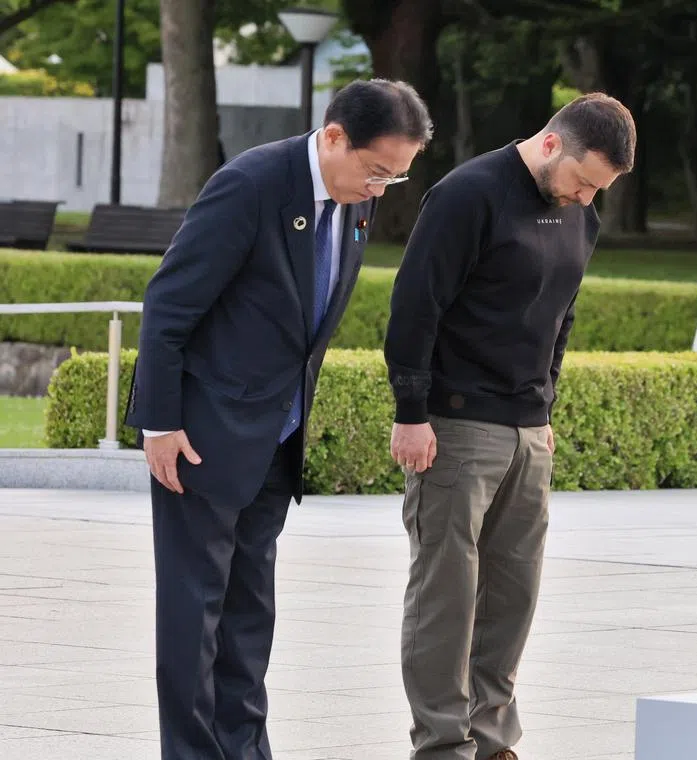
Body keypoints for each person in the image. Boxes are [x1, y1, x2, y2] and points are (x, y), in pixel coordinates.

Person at [124, 78, 433, 759]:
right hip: (201, 437)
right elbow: (169, 305)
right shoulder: (253, 185)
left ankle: (245, 749)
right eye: (377, 170)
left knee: (248, 613)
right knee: (193, 610)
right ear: (333, 138)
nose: (383, 189)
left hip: (275, 438)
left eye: (397, 176)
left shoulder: (355, 201)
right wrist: (159, 423)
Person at [384, 92, 637, 760]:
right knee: (447, 596)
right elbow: (414, 307)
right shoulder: (468, 195)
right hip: (456, 426)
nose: (586, 200)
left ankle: (492, 740)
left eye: (599, 191)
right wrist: (411, 413)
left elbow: (563, 315)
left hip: (527, 430)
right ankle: (442, 745)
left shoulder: (582, 218)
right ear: (551, 144)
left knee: (513, 597)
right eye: (584, 183)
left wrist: (544, 409)